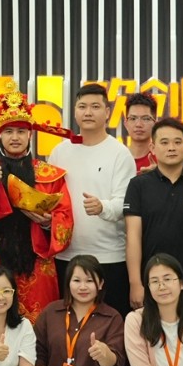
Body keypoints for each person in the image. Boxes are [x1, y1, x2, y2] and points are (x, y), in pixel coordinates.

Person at [0, 86, 76, 321]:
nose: (15, 137)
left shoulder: (50, 175)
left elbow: (66, 219)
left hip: (38, 263)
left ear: (30, 135)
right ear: (0, 136)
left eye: (21, 131)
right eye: (9, 132)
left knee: (40, 326)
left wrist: (47, 224)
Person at [49, 84, 138, 315]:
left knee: (109, 323)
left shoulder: (119, 153)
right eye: (82, 106)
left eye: (95, 107)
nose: (88, 112)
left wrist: (102, 207)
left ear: (107, 112)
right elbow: (51, 196)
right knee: (68, 322)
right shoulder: (60, 151)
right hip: (66, 255)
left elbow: (125, 203)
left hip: (109, 257)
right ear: (75, 112)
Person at [123, 117, 183, 312]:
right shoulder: (138, 185)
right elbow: (133, 236)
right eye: (164, 142)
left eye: (177, 142)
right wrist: (135, 283)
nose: (171, 148)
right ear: (152, 147)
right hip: (151, 281)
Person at [123, 91, 160, 172]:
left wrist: (158, 176)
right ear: (126, 123)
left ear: (155, 123)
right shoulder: (117, 158)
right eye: (133, 118)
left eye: (146, 119)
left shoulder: (162, 159)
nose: (139, 124)